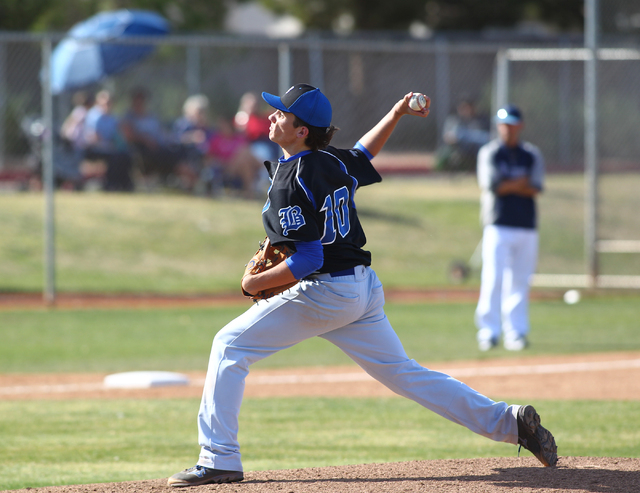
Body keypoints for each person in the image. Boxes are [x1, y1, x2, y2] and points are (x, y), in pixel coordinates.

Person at [168, 85, 557, 487]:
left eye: (282, 114)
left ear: (302, 131)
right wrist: (395, 113)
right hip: (362, 289)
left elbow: (308, 259)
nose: (272, 117)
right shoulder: (329, 160)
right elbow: (363, 152)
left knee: (229, 346)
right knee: (404, 373)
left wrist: (254, 283)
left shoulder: (290, 180)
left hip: (327, 292)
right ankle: (510, 422)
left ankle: (219, 459)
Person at [475, 105, 545, 352]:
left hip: (526, 225)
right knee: (492, 278)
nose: (508, 129)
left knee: (520, 281)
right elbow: (494, 186)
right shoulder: (490, 152)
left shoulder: (531, 154)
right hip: (498, 223)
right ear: (498, 126)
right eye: (504, 124)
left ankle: (516, 332)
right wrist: (519, 183)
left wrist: (510, 184)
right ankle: (488, 331)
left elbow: (536, 186)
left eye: (512, 124)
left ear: (520, 126)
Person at [120, 87, 189, 187]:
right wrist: (145, 139)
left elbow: (163, 134)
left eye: (142, 100)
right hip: (143, 150)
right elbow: (128, 135)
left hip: (160, 147)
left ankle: (190, 181)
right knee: (172, 158)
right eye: (137, 99)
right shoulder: (129, 117)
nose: (140, 103)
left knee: (179, 152)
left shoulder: (152, 117)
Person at [82, 90, 134, 191]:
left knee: (125, 155)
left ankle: (124, 184)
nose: (108, 105)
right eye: (105, 102)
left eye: (110, 102)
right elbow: (93, 137)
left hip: (109, 147)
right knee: (115, 157)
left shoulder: (112, 118)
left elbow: (116, 135)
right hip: (93, 148)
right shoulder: (94, 116)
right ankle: (111, 184)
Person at [436, 97, 490, 172]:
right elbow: (447, 137)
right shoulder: (454, 120)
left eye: (468, 107)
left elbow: (486, 137)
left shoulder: (480, 120)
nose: (465, 110)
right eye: (463, 107)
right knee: (444, 153)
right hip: (459, 148)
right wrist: (459, 136)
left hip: (475, 149)